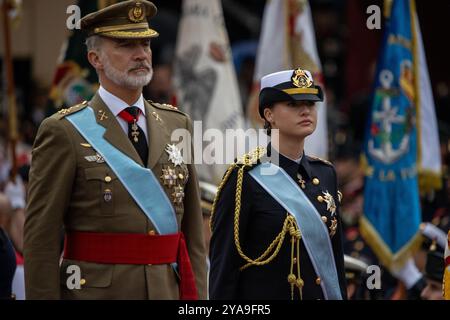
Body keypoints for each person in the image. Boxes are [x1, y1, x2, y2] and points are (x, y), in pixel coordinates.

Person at [24, 0, 206, 300]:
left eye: (145, 44)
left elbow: (194, 237)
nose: (141, 55)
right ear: (95, 58)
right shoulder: (64, 131)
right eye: (125, 45)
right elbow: (40, 240)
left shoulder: (177, 124)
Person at [209, 68, 347, 300]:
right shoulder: (245, 178)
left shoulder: (326, 174)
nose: (306, 111)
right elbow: (225, 269)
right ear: (269, 114)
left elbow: (335, 262)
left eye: (311, 104)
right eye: (293, 104)